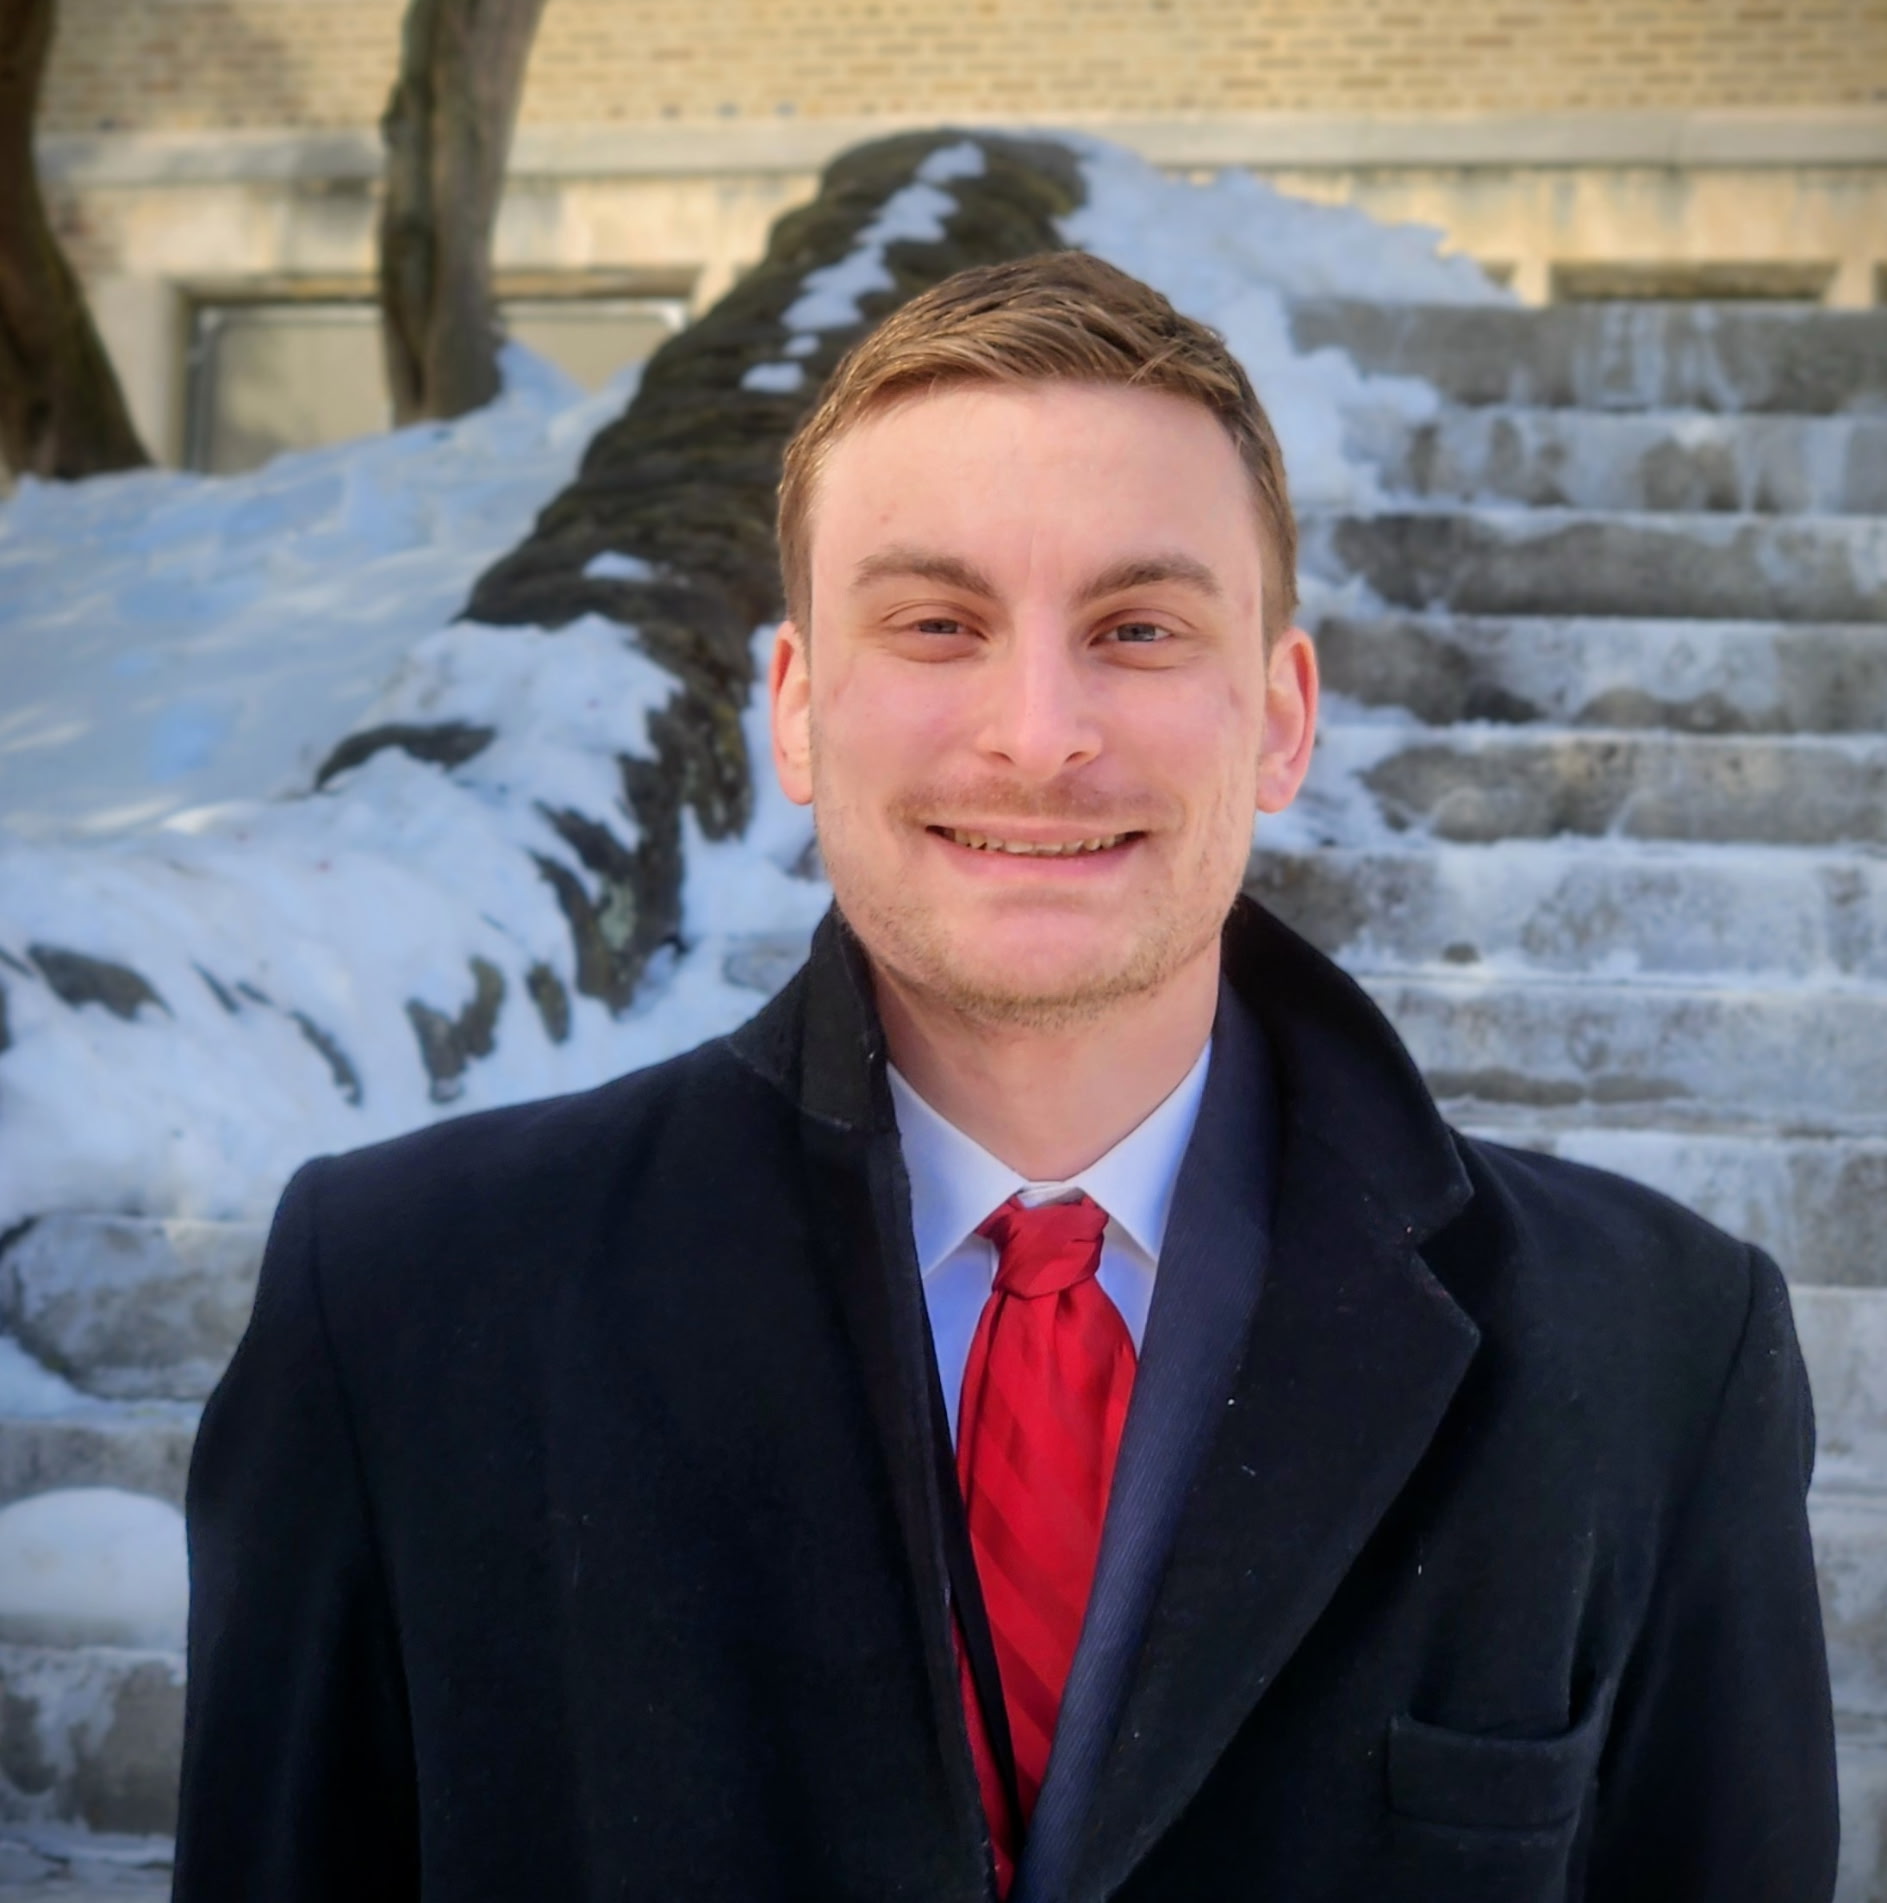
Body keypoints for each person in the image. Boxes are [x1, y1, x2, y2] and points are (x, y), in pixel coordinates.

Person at [174, 251, 1839, 1903]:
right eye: (936, 623)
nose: (1039, 732)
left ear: (1280, 717)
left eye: (1135, 625)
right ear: (799, 708)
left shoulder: (1659, 1359)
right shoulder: (401, 1313)